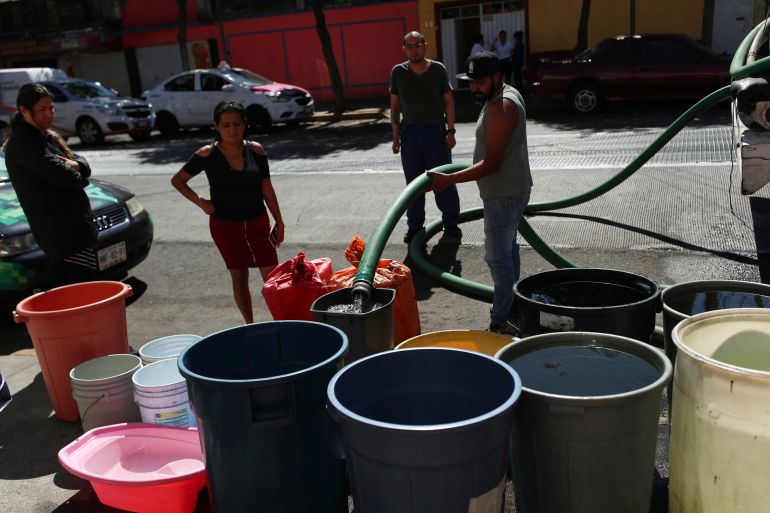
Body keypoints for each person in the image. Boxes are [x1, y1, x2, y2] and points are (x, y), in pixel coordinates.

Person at [428, 52, 532, 336]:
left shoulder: (502, 107)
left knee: (498, 257)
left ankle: (502, 322)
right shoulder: (500, 96)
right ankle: (511, 306)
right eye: (470, 82)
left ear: (497, 78)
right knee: (508, 250)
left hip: (504, 194)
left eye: (479, 82)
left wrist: (448, 180)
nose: (473, 87)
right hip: (506, 191)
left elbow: (492, 163)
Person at [171, 100, 285, 324]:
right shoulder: (206, 154)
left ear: (244, 125)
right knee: (239, 277)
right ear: (216, 126)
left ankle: (281, 323)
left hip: (258, 224)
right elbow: (178, 180)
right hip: (225, 227)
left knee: (273, 278)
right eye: (226, 125)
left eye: (237, 124)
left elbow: (266, 187)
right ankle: (249, 325)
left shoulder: (256, 150)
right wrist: (201, 202)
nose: (232, 130)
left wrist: (279, 222)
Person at [3, 83, 98, 286]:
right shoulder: (25, 143)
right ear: (23, 110)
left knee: (84, 289)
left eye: (51, 108)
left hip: (73, 232)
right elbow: (70, 179)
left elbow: (76, 161)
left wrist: (77, 165)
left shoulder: (41, 135)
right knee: (81, 291)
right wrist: (78, 170)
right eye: (42, 110)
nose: (49, 114)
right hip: (64, 237)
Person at [390, 30, 461, 243]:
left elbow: (448, 101)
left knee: (442, 179)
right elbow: (394, 107)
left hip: (435, 131)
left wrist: (450, 130)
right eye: (409, 46)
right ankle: (415, 227)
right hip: (410, 133)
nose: (414, 49)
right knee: (413, 184)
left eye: (417, 44)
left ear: (425, 45)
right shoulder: (398, 72)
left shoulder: (438, 69)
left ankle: (451, 223)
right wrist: (395, 136)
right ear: (404, 49)